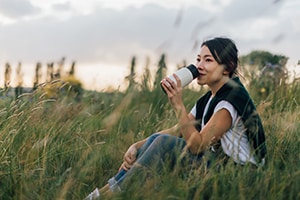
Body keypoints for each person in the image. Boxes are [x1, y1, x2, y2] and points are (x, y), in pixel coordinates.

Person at [85, 37, 267, 199]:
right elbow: (176, 130)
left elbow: (197, 146)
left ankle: (109, 196)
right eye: (198, 59)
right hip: (219, 165)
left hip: (240, 176)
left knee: (164, 143)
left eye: (208, 60)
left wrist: (178, 104)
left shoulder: (229, 103)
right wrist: (136, 146)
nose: (199, 66)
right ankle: (103, 193)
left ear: (227, 67)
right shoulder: (209, 98)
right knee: (158, 139)